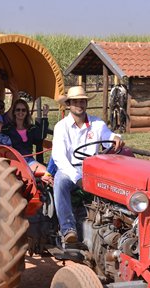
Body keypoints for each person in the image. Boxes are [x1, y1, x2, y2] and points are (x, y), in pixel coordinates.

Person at [52, 86, 124, 243]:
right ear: (69, 104)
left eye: (82, 101)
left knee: (119, 182)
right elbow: (59, 157)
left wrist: (116, 137)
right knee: (60, 181)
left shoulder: (97, 123)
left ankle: (115, 223)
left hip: (94, 169)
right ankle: (68, 228)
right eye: (76, 101)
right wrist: (76, 177)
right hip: (70, 168)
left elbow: (108, 136)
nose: (80, 104)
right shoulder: (61, 127)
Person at [4, 99, 49, 177]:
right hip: (14, 162)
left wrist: (44, 115)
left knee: (47, 174)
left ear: (26, 112)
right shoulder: (7, 129)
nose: (20, 112)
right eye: (18, 110)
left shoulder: (31, 128)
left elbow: (41, 136)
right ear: (14, 112)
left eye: (23, 110)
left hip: (29, 161)